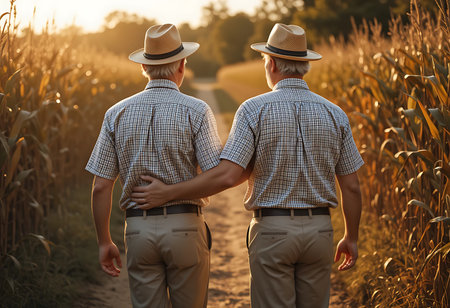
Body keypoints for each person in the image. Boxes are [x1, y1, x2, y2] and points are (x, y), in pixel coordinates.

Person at [132, 23, 364, 308]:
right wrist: (351, 237)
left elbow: (228, 175)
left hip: (273, 231)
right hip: (320, 231)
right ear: (304, 66)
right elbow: (351, 186)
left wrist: (169, 192)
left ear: (272, 64)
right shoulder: (335, 113)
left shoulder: (255, 109)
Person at [85, 24, 222, 308]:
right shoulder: (197, 110)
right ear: (182, 66)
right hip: (186, 226)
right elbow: (216, 177)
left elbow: (100, 186)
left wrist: (104, 242)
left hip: (138, 230)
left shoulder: (116, 113)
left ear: (144, 68)